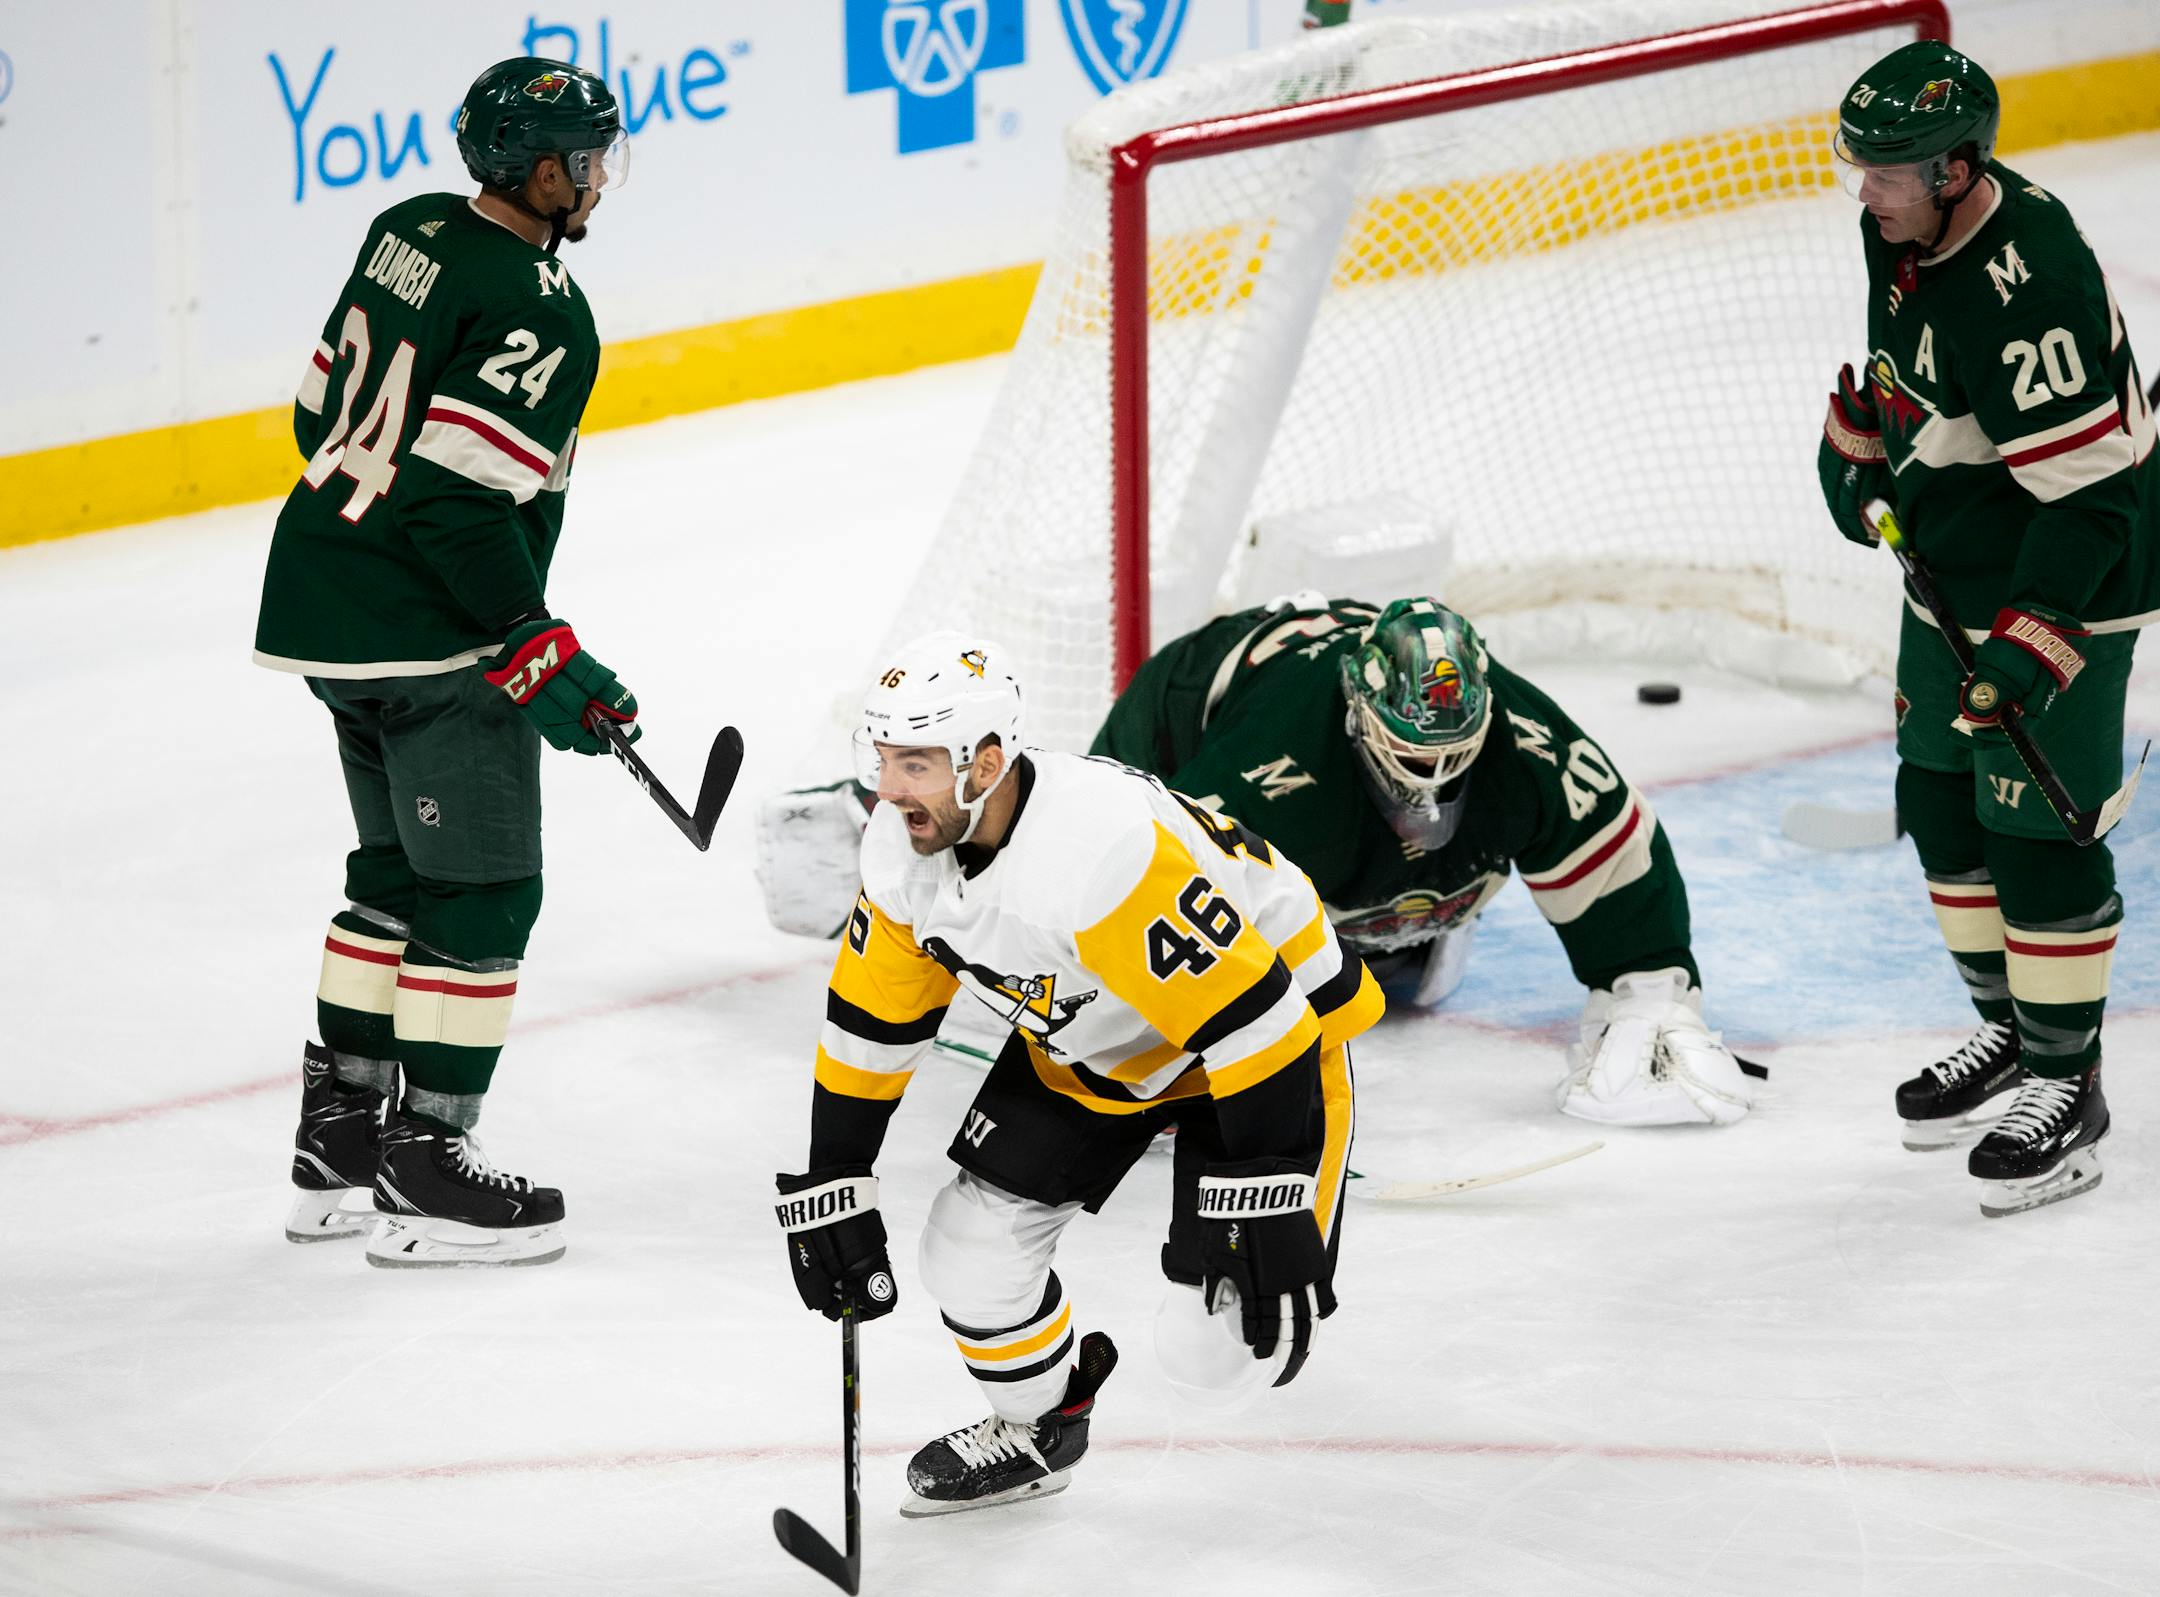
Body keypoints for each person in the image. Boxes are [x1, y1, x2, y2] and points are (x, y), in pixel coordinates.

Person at [773, 633, 1381, 1515]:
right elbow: (873, 1020)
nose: (887, 789)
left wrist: (1274, 1184)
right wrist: (836, 1176)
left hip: (1257, 1049)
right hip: (1094, 1036)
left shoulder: (1099, 854)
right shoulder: (902, 850)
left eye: (914, 765)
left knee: (1215, 1356)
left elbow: (1263, 1022)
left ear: (985, 761)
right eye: (883, 760)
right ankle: (1041, 1425)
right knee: (966, 1257)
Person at [255, 58, 636, 1267]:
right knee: (481, 891)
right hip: (428, 636)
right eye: (585, 158)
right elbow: (461, 504)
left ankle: (338, 1148)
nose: (597, 178)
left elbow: (321, 413)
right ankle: (424, 1166)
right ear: (538, 170)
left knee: (392, 874)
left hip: (326, 598)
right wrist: (529, 642)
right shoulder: (544, 306)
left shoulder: (405, 228)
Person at [1820, 43, 2154, 1214]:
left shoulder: (2034, 282)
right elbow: (1908, 373)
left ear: (1958, 170)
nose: (1864, 190)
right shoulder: (1899, 228)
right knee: (1941, 799)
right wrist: (1864, 444)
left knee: (2035, 835)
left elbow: (2095, 497)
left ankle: (2071, 1084)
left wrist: (2031, 639)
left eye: (1889, 173)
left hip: (2074, 569)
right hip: (1960, 561)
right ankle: (2013, 1033)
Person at [1092, 594, 1754, 1129]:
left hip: (1353, 855)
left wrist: (1649, 988)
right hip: (1190, 711)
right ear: (1359, 708)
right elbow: (1157, 875)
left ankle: (1395, 920)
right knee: (1148, 922)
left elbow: (1608, 839)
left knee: (1408, 984)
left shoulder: (1525, 735)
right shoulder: (1270, 759)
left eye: (1455, 755)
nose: (1429, 788)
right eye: (1411, 758)